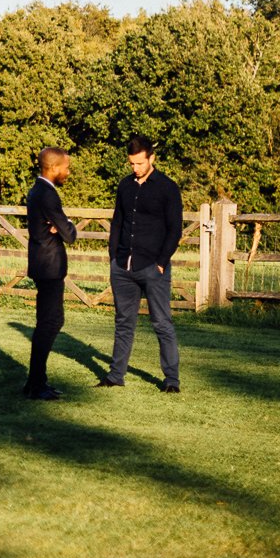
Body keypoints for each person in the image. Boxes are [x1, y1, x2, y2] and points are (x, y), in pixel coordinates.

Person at [99, 134, 184, 393]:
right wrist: (113, 257)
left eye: (139, 163)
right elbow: (117, 222)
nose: (135, 168)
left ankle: (171, 380)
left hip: (153, 267)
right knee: (124, 322)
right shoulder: (125, 186)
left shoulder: (167, 188)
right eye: (131, 164)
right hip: (123, 267)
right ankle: (116, 375)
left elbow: (174, 230)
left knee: (162, 324)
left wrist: (161, 262)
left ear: (151, 158)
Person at [22, 146, 81, 400]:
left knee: (48, 322)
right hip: (49, 266)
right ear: (54, 168)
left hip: (43, 264)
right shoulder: (47, 195)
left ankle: (37, 382)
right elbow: (69, 235)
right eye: (66, 168)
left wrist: (61, 225)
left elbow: (60, 229)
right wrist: (67, 225)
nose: (68, 172)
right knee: (50, 322)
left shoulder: (38, 191)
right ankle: (36, 384)